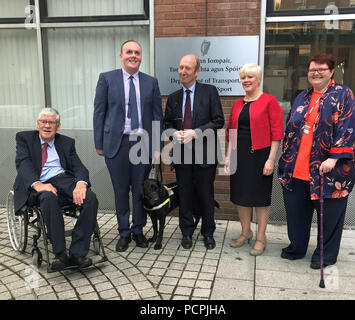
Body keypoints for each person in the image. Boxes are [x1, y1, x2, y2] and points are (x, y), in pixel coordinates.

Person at [278, 53, 355, 269]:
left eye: (322, 69)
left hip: (329, 172)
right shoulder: (301, 97)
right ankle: (296, 248)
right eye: (313, 69)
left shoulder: (343, 94)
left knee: (329, 219)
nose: (316, 73)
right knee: (296, 215)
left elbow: (348, 126)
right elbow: (291, 128)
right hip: (296, 170)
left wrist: (334, 157)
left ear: (331, 72)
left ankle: (325, 256)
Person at [93, 40, 163, 252]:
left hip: (142, 143)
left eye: (137, 53)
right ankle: (124, 232)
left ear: (141, 57)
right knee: (121, 190)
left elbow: (157, 116)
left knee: (140, 191)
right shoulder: (107, 79)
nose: (133, 56)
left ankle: (138, 230)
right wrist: (99, 142)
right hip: (117, 144)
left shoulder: (151, 82)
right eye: (129, 52)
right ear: (121, 56)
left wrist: (158, 145)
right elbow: (99, 112)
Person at [13, 107, 98, 272]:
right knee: (48, 198)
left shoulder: (66, 142)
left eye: (51, 122)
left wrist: (81, 183)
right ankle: (60, 254)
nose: (47, 125)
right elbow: (23, 163)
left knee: (90, 197)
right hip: (38, 182)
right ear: (38, 124)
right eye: (43, 122)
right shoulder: (24, 138)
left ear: (57, 126)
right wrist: (38, 184)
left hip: (63, 180)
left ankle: (78, 253)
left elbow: (79, 166)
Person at [164, 54, 224, 250]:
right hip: (182, 156)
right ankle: (187, 232)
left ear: (196, 71)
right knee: (185, 196)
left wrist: (195, 133)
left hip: (205, 156)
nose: (183, 71)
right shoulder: (173, 98)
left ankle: (208, 233)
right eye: (181, 67)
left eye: (187, 68)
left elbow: (218, 121)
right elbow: (167, 125)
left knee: (206, 196)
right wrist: (175, 135)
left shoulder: (209, 92)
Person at [224, 63, 284, 256]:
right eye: (243, 77)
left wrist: (270, 159)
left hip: (260, 156)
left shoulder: (269, 101)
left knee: (260, 199)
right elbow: (231, 132)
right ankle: (245, 232)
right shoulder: (237, 104)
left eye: (250, 77)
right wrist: (227, 157)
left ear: (258, 79)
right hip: (239, 155)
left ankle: (261, 237)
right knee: (240, 197)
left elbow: (277, 133)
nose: (246, 81)